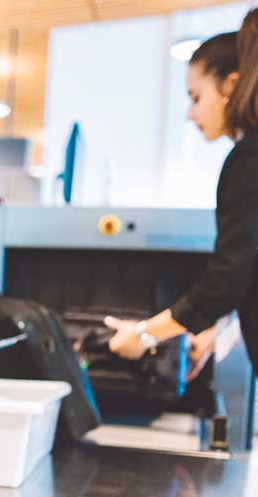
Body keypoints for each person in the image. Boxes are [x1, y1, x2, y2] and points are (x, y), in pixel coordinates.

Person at [107, 14, 258, 377]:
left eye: (196, 97)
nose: (191, 114)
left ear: (231, 85)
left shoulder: (248, 160)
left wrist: (145, 334)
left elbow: (229, 277)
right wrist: (213, 332)